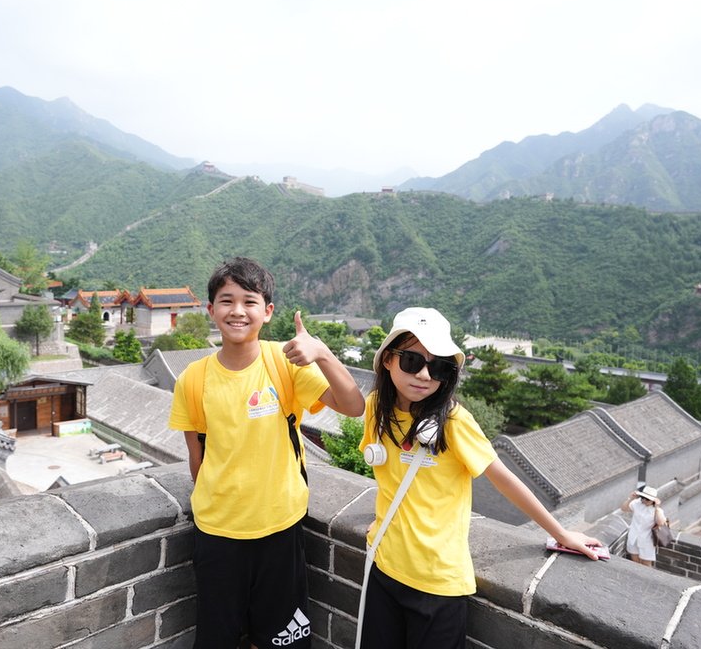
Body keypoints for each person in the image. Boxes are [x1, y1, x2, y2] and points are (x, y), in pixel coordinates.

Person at [359, 307, 602, 649]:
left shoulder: (454, 422)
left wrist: (561, 534)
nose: (425, 375)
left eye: (440, 367)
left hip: (437, 582)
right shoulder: (376, 409)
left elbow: (503, 480)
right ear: (387, 359)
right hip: (384, 566)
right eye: (413, 361)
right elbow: (391, 476)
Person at [168, 257, 365, 649]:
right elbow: (198, 458)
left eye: (249, 301)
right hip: (217, 533)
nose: (237, 311)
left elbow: (354, 405)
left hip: (280, 528)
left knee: (280, 641)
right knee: (216, 638)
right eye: (226, 301)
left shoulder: (285, 364)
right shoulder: (193, 378)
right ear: (210, 310)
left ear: (268, 311)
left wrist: (323, 354)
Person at [621, 485, 667, 567]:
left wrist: (657, 508)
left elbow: (661, 523)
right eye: (642, 497)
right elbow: (624, 508)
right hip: (633, 537)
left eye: (647, 499)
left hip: (647, 540)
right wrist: (631, 498)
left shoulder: (657, 510)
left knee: (646, 564)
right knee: (635, 562)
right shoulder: (637, 503)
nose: (644, 500)